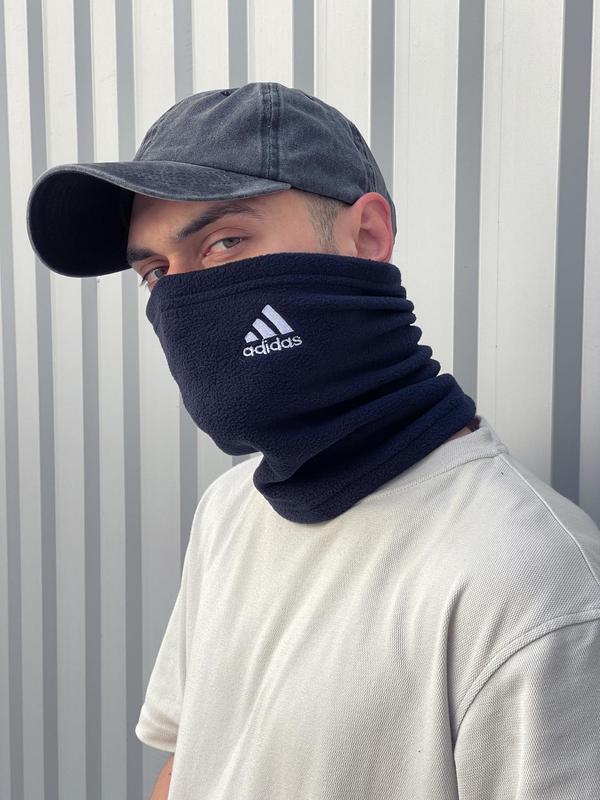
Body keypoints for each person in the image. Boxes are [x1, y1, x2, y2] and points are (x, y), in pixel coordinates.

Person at [26, 82, 600, 800]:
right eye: (155, 272)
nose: (179, 300)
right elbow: (192, 762)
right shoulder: (230, 510)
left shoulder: (531, 587)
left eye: (224, 242)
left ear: (368, 237)